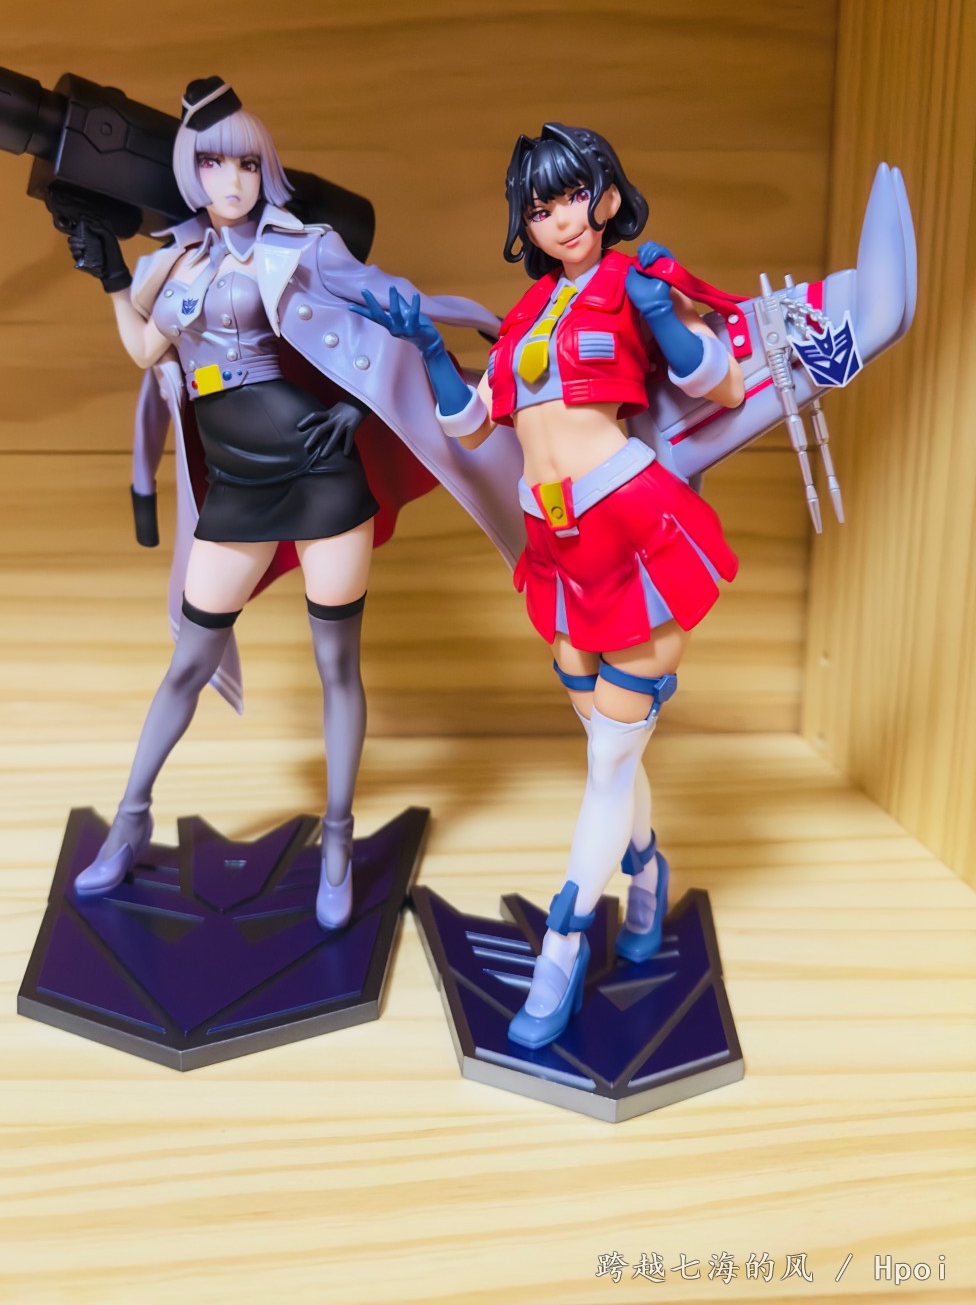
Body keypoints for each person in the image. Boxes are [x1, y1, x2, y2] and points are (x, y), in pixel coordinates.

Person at [63, 76, 523, 930]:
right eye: (214, 162)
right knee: (188, 661)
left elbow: (392, 310)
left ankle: (337, 843)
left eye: (247, 163)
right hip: (238, 483)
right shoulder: (176, 263)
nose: (233, 179)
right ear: (190, 169)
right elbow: (144, 351)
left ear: (265, 168)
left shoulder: (306, 247)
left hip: (321, 476)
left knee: (336, 665)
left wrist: (358, 408)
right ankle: (130, 820)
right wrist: (111, 275)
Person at [355, 122, 745, 1046]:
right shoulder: (529, 312)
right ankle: (646, 869)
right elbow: (471, 426)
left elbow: (721, 383)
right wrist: (429, 350)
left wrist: (660, 317)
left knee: (607, 762)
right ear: (524, 224)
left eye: (573, 196)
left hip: (631, 527)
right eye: (540, 207)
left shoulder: (637, 276)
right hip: (557, 547)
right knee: (611, 753)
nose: (560, 218)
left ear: (605, 198)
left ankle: (565, 942)